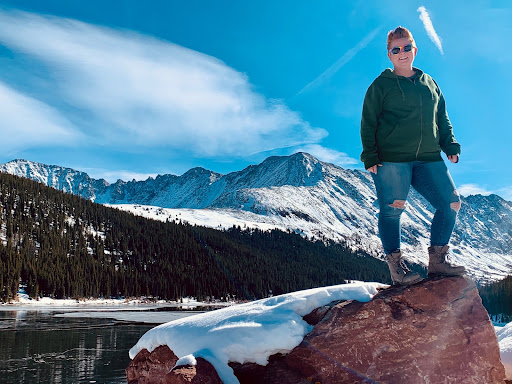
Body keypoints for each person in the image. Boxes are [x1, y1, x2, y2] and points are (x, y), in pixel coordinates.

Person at [360, 26, 465, 285]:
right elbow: (368, 121)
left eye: (407, 47)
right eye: (396, 49)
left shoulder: (430, 83)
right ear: (389, 55)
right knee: (392, 210)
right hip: (392, 159)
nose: (402, 53)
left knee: (451, 203)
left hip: (429, 158)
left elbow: (442, 117)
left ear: (414, 50)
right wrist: (370, 155)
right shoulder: (381, 85)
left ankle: (437, 262)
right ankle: (397, 268)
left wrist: (449, 144)